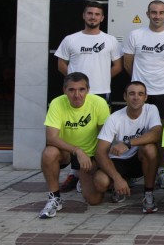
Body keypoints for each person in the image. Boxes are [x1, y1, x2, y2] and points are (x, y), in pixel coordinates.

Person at [54, 2, 122, 192]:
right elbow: (61, 64)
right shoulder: (70, 39)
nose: (93, 17)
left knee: (100, 134)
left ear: (102, 18)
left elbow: (117, 66)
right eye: (90, 13)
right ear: (84, 16)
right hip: (76, 95)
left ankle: (99, 169)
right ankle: (75, 174)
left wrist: (99, 81)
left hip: (101, 93)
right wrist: (77, 87)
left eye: (97, 14)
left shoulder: (110, 40)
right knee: (76, 131)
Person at [38, 72, 110, 219]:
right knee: (49, 153)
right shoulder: (57, 103)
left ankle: (81, 177)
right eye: (71, 90)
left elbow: (105, 137)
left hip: (89, 155)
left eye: (81, 89)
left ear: (88, 90)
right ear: (64, 90)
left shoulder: (99, 103)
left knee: (94, 200)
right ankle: (54, 198)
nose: (77, 94)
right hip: (67, 151)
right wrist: (77, 150)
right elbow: (51, 138)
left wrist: (97, 162)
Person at [93, 81, 162, 213]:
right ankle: (120, 183)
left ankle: (148, 194)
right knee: (100, 182)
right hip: (118, 160)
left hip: (138, 159)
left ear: (145, 97)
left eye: (140, 94)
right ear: (125, 97)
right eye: (132, 94)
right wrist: (116, 178)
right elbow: (100, 152)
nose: (136, 97)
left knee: (150, 148)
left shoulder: (151, 109)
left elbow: (156, 134)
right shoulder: (114, 118)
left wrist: (128, 143)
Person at [123, 0, 164, 121]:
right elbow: (127, 64)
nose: (157, 16)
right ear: (147, 14)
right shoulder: (135, 35)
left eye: (161, 13)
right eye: (154, 12)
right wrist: (138, 79)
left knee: (163, 125)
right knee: (137, 124)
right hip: (138, 91)